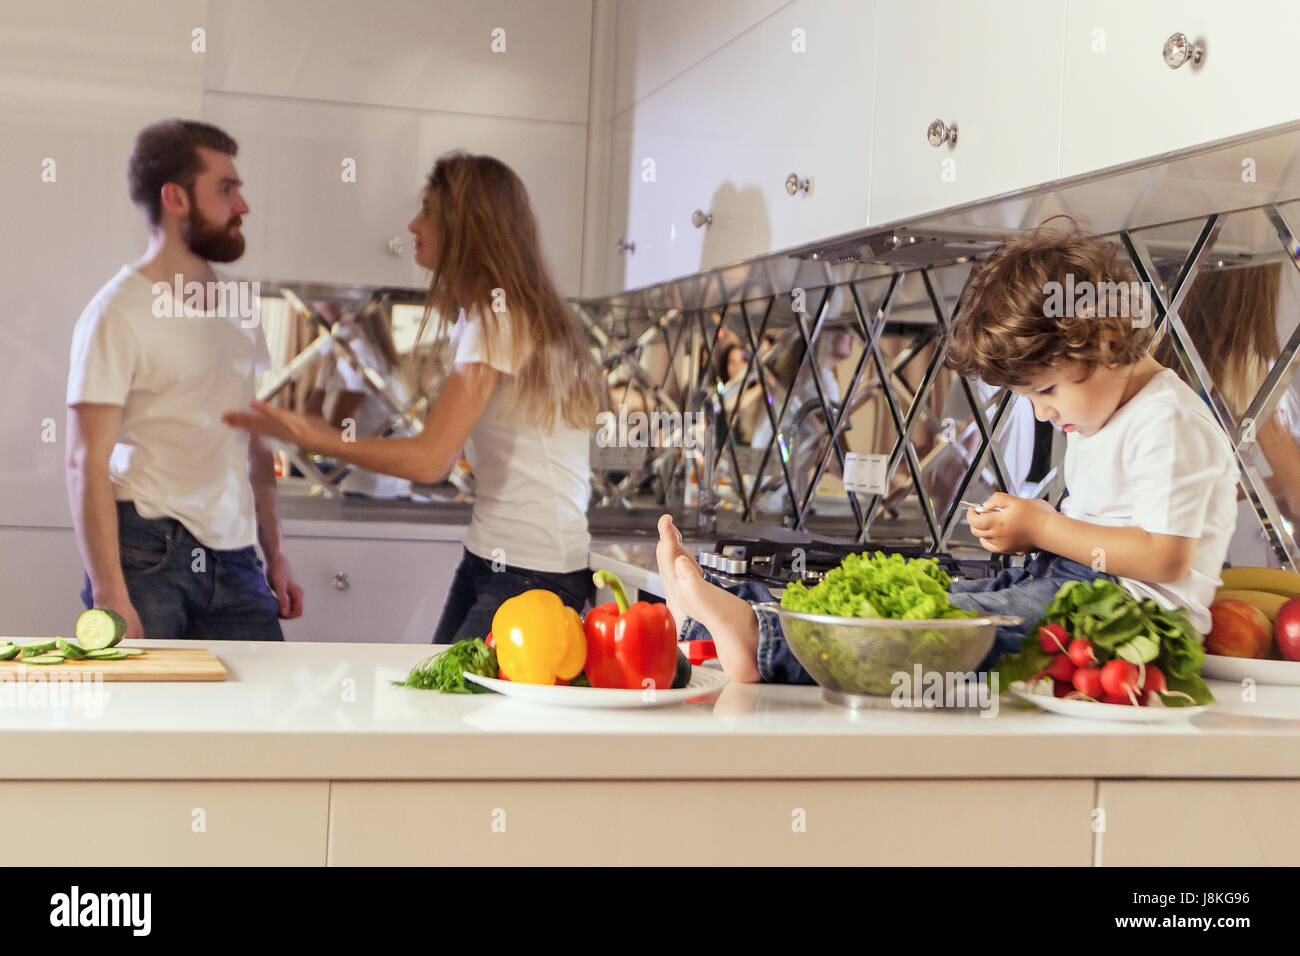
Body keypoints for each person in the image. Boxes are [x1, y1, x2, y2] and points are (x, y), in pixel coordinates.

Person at [652, 221, 1239, 682]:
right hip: (1078, 587)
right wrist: (1039, 534)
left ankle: (763, 643)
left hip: (1133, 629)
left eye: (1047, 390)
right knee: (937, 603)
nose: (1041, 411)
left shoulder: (1168, 421)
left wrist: (1039, 525)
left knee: (944, 634)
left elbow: (1165, 559)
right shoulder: (1107, 414)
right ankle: (741, 605)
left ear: (1108, 342)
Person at [225, 151, 605, 644]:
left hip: (530, 573)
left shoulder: (498, 316)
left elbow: (430, 461)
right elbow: (441, 462)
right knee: (444, 706)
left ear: (465, 225)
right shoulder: (488, 315)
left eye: (427, 209)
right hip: (499, 561)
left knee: (451, 713)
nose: (413, 223)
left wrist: (315, 436)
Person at [66, 119, 303, 641]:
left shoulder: (241, 306)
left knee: (258, 716)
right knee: (146, 719)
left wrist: (276, 553)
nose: (243, 205)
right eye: (226, 188)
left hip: (236, 555)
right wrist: (109, 595)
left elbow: (255, 441)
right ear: (174, 198)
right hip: (145, 556)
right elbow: (86, 462)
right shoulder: (115, 314)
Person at [305, 300, 413, 499]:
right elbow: (313, 414)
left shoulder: (360, 354)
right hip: (382, 485)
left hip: (372, 489)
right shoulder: (346, 354)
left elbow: (343, 427)